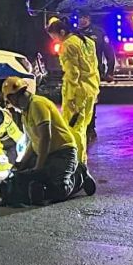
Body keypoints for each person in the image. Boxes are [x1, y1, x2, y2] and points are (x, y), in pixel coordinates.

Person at [2, 76, 94, 206]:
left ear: (13, 98)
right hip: (47, 153)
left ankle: (80, 174)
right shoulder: (25, 113)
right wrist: (21, 164)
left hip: (63, 152)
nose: (12, 106)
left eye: (10, 102)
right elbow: (33, 143)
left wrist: (39, 167)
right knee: (24, 176)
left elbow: (46, 137)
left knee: (59, 190)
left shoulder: (37, 104)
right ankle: (43, 185)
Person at [46, 17, 100, 165]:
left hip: (78, 93)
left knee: (75, 128)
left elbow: (72, 75)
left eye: (55, 36)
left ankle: (78, 162)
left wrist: (70, 98)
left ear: (62, 32)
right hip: (91, 89)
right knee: (82, 125)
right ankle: (79, 161)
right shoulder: (88, 41)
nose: (55, 40)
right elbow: (95, 67)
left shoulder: (68, 45)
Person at [76, 8, 115, 141]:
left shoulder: (98, 33)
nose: (82, 20)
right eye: (80, 17)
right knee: (78, 101)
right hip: (77, 73)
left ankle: (90, 128)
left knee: (90, 101)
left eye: (84, 17)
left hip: (93, 73)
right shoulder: (73, 34)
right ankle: (81, 127)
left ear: (89, 19)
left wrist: (110, 72)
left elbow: (109, 52)